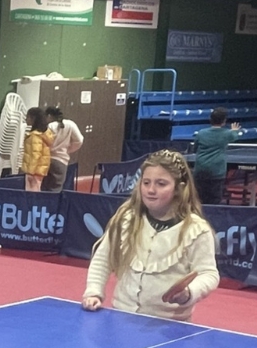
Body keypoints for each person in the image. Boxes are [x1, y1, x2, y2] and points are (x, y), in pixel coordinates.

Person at [82, 149, 219, 321]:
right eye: (146, 182)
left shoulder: (196, 230)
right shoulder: (126, 219)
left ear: (179, 188)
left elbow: (208, 274)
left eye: (161, 184)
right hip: (121, 318)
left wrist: (189, 292)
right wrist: (94, 292)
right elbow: (103, 259)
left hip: (169, 325)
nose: (151, 190)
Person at [192, 108, 242, 205]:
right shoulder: (227, 134)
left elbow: (195, 149)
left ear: (210, 119)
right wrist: (235, 130)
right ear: (224, 121)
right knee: (214, 200)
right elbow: (235, 136)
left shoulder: (201, 133)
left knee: (198, 199)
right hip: (217, 171)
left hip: (200, 170)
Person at [42, 106, 83, 192]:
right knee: (56, 189)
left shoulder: (50, 126)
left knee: (43, 189)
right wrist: (68, 150)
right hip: (61, 161)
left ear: (49, 116)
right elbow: (79, 140)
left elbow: (43, 142)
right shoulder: (71, 124)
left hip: (46, 160)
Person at [21, 108, 53, 192]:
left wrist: (31, 172)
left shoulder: (35, 136)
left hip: (34, 172)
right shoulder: (42, 134)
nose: (26, 119)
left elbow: (36, 155)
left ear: (33, 118)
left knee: (32, 193)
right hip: (37, 171)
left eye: (27, 117)